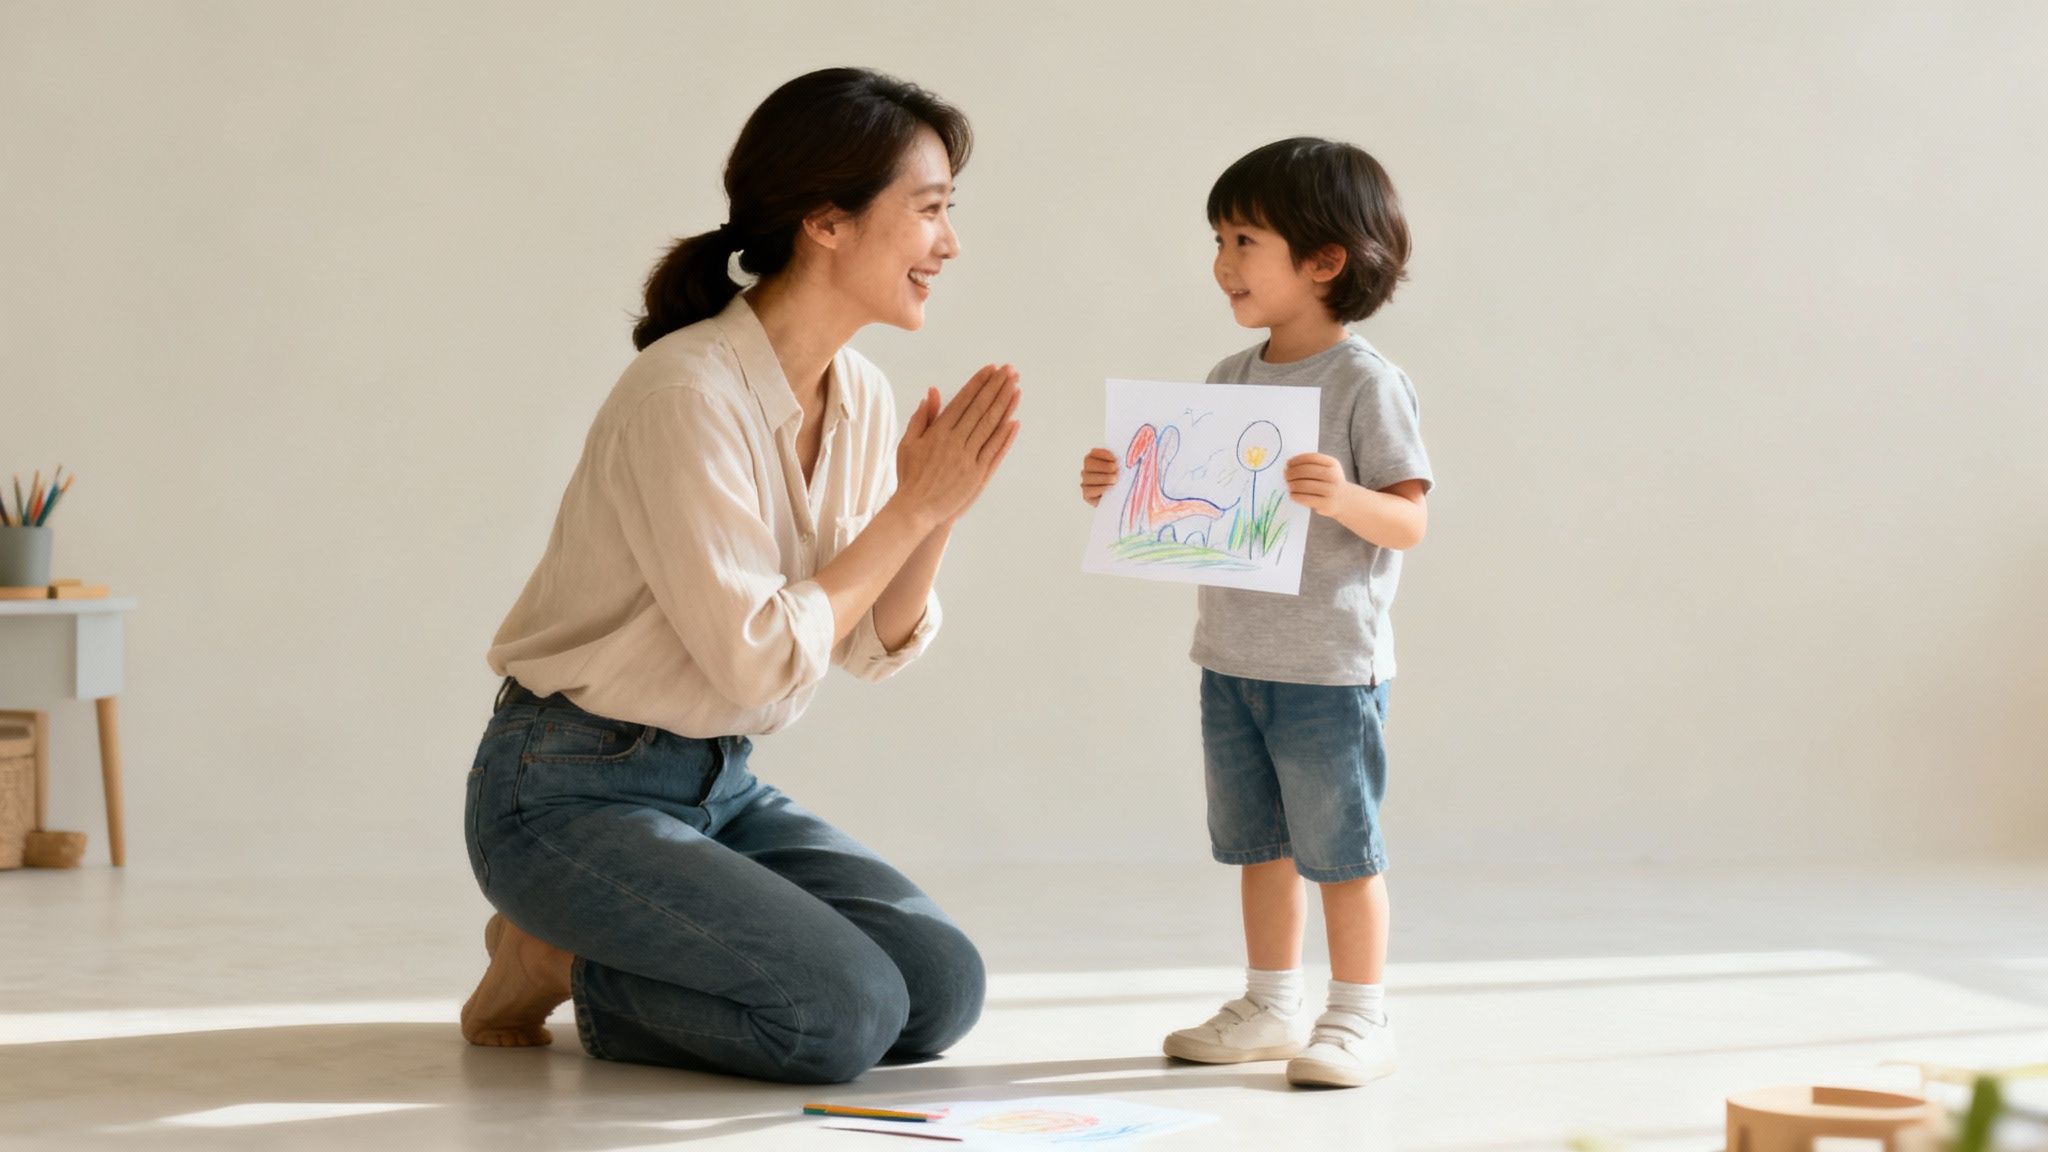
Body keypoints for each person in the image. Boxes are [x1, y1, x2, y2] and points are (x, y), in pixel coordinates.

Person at [461, 67, 1021, 1085]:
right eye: (930, 209)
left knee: (940, 988)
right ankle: (551, 957)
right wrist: (908, 510)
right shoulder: (685, 393)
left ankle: (584, 952)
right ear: (827, 222)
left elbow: (863, 644)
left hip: (718, 784)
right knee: (840, 1019)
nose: (948, 243)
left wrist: (936, 511)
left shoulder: (856, 392)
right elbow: (758, 660)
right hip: (563, 794)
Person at [1079, 137, 1432, 1089]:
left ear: (1325, 260)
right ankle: (1272, 1004)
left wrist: (1344, 497)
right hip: (1232, 658)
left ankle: (1359, 1015)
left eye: (1244, 240)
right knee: (1258, 848)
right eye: (1219, 240)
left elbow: (1409, 520)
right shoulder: (1231, 379)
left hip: (1328, 668)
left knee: (1343, 854)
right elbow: (1198, 510)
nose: (1222, 263)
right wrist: (1121, 489)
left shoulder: (1366, 382)